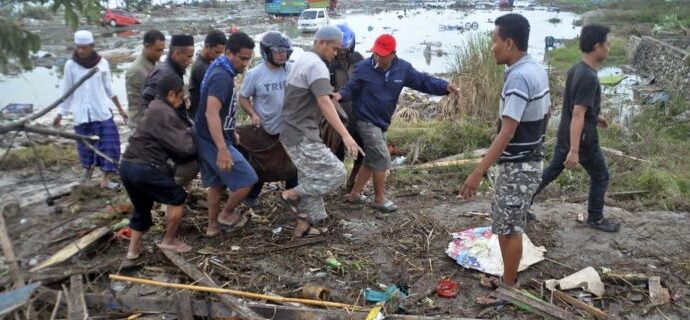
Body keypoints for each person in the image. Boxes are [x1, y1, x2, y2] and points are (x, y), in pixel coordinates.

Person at [459, 14, 550, 297]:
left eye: (494, 40)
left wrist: (478, 171)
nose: (492, 47)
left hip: (518, 166)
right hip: (530, 160)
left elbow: (507, 132)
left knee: (509, 228)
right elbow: (547, 112)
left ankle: (509, 287)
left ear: (509, 43)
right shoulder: (535, 68)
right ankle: (509, 279)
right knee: (509, 224)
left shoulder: (520, 78)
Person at [334, 34, 458, 212]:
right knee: (382, 156)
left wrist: (444, 87)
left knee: (371, 159)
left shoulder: (403, 69)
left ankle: (354, 194)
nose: (378, 57)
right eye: (376, 53)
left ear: (393, 53)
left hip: (382, 121)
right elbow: (351, 88)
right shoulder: (362, 68)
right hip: (364, 119)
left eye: (383, 55)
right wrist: (340, 95)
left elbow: (423, 81)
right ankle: (379, 199)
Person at [531, 24, 620, 233]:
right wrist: (574, 149)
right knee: (601, 175)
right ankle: (596, 218)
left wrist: (595, 116)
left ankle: (520, 204)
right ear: (597, 46)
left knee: (552, 171)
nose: (609, 48)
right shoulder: (589, 76)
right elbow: (578, 113)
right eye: (608, 44)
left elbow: (577, 108)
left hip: (566, 132)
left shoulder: (576, 69)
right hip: (582, 138)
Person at [279, 26, 363, 238]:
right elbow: (324, 101)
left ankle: (308, 225)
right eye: (334, 48)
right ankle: (290, 194)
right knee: (336, 173)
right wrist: (346, 135)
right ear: (321, 43)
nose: (336, 53)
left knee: (311, 176)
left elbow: (323, 98)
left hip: (293, 130)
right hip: (300, 134)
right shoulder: (317, 65)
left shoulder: (304, 59)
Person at [121, 73, 196, 259]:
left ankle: (133, 251)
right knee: (177, 197)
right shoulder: (165, 112)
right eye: (180, 97)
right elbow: (185, 147)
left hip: (127, 166)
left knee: (141, 208)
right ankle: (169, 241)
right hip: (146, 167)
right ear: (172, 94)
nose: (181, 101)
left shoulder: (153, 107)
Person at [196, 32, 258, 237]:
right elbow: (211, 112)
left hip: (206, 136)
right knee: (248, 179)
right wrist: (223, 148)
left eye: (249, 59)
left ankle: (212, 227)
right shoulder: (222, 76)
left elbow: (219, 112)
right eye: (242, 58)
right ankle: (226, 214)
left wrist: (230, 132)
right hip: (213, 141)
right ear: (228, 52)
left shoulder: (219, 66)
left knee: (215, 184)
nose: (245, 64)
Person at [53, 30, 128, 188]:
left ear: (92, 46)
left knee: (109, 144)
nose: (81, 50)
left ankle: (105, 179)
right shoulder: (70, 65)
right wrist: (61, 113)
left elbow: (110, 88)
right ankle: (87, 173)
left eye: (84, 47)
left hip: (101, 112)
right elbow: (67, 91)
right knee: (85, 147)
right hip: (82, 115)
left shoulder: (102, 63)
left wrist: (120, 109)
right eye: (78, 47)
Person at [238, 31, 297, 208]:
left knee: (293, 164)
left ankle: (290, 197)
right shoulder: (255, 74)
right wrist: (253, 114)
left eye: (285, 51)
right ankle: (250, 198)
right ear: (266, 51)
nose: (282, 55)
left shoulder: (291, 69)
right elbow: (243, 97)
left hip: (289, 128)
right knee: (262, 166)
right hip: (266, 128)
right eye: (278, 51)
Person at [325, 23, 364, 190]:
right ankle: (335, 182)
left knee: (362, 151)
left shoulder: (358, 59)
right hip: (337, 116)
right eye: (339, 48)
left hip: (359, 113)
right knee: (336, 152)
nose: (341, 52)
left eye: (345, 48)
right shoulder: (328, 64)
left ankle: (352, 180)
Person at [140, 34, 194, 113]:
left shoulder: (174, 70)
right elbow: (146, 101)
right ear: (177, 54)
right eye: (189, 57)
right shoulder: (163, 74)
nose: (190, 61)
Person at [125, 30, 165, 128]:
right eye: (158, 50)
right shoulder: (135, 71)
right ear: (146, 46)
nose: (160, 53)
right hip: (141, 124)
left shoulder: (155, 63)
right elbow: (135, 103)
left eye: (162, 50)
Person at [189, 30, 228, 119]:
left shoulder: (210, 63)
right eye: (217, 52)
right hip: (200, 115)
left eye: (221, 53)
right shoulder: (201, 67)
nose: (219, 56)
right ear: (207, 47)